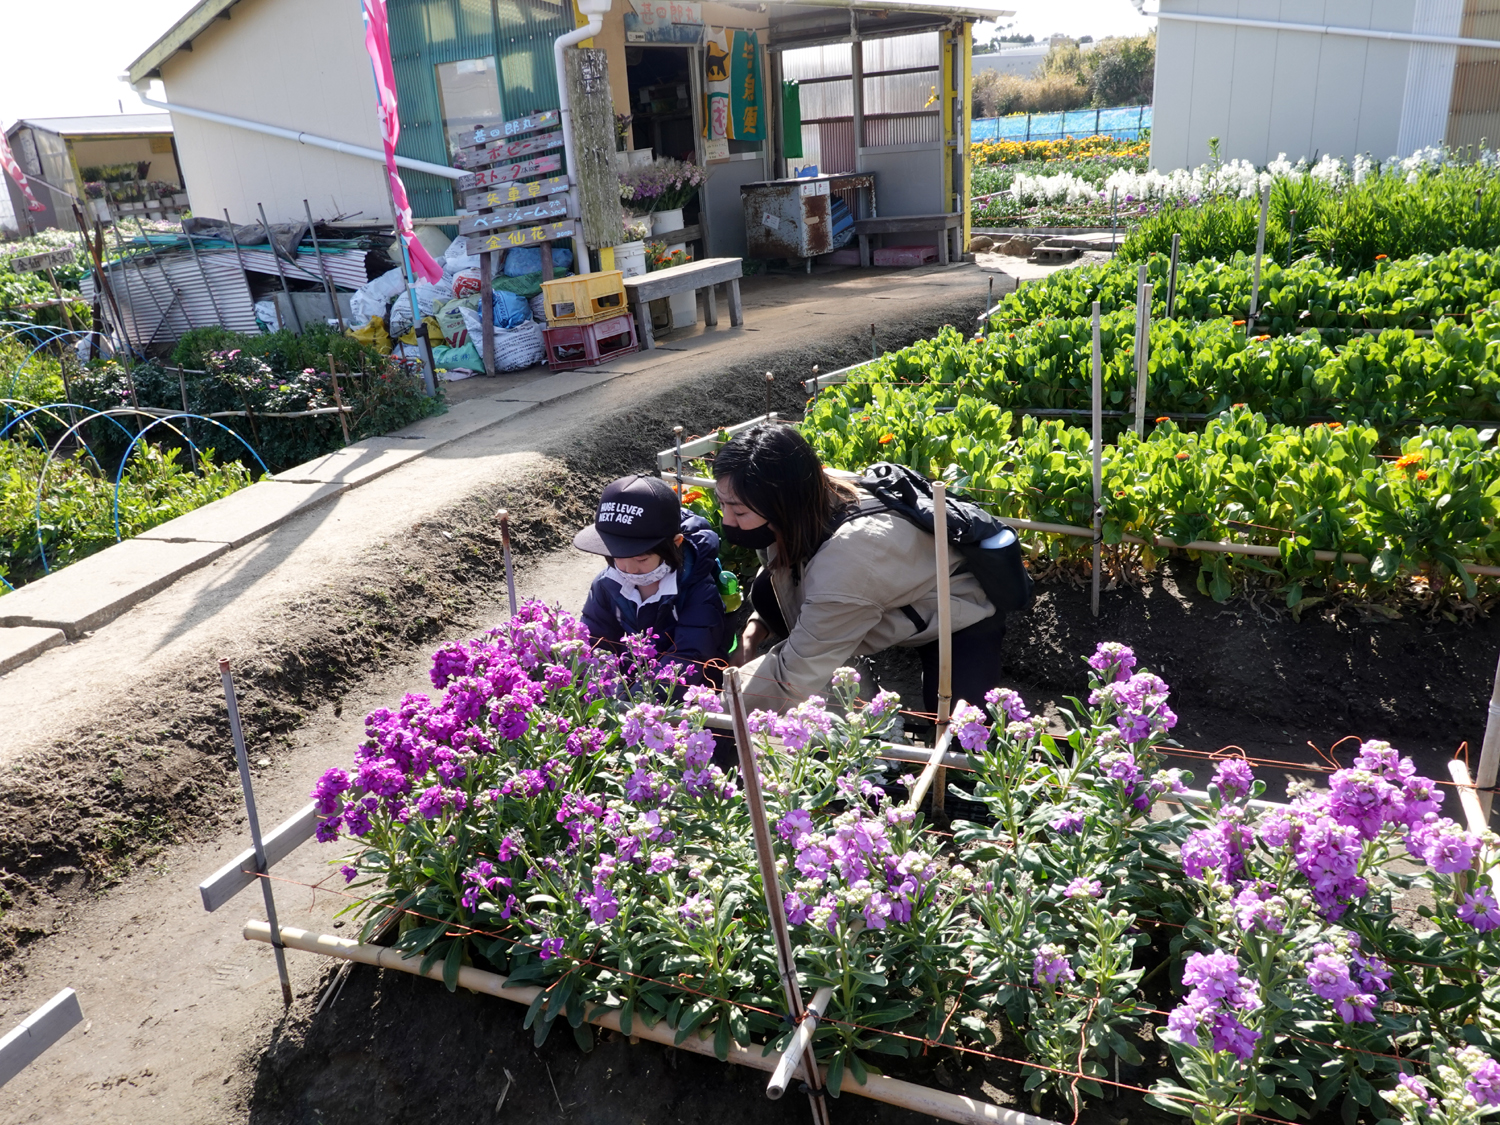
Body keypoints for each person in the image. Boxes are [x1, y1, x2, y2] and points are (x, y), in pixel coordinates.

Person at [715, 424, 1003, 713]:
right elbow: (785, 582)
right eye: (723, 504)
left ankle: (855, 691)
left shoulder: (850, 561)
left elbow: (790, 679)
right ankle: (841, 670)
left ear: (783, 503)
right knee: (767, 593)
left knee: (960, 723)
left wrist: (713, 710)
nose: (727, 521)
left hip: (957, 607)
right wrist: (753, 631)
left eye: (738, 511)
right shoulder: (809, 490)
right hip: (880, 590)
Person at [575, 474, 728, 678]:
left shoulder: (698, 590)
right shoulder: (606, 585)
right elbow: (595, 641)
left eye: (641, 559)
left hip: (687, 693)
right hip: (627, 693)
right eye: (618, 556)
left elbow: (690, 655)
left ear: (676, 543)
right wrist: (604, 687)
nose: (628, 569)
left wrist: (640, 701)